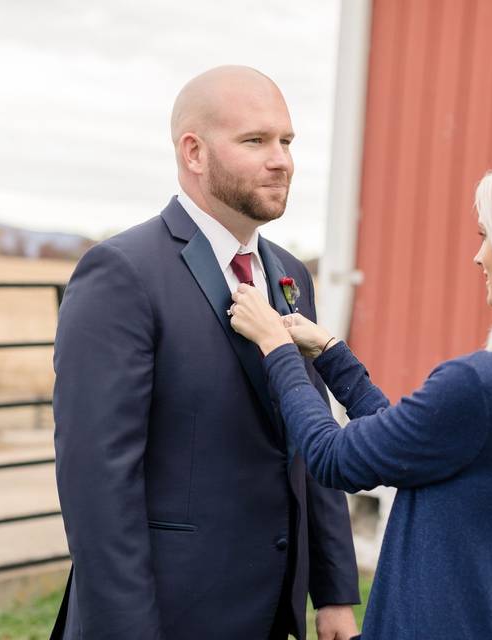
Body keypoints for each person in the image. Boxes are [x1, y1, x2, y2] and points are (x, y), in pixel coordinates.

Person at [229, 149, 492, 640]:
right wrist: (330, 352)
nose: (478, 255)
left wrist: (276, 348)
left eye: (487, 237)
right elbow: (409, 447)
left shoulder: (483, 386)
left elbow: (337, 459)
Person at [50, 66, 360, 640]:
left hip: (271, 611)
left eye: (287, 141)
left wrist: (334, 591)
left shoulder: (289, 274)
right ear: (193, 152)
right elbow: (97, 480)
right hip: (169, 613)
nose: (281, 160)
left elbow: (308, 434)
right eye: (255, 141)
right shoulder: (123, 273)